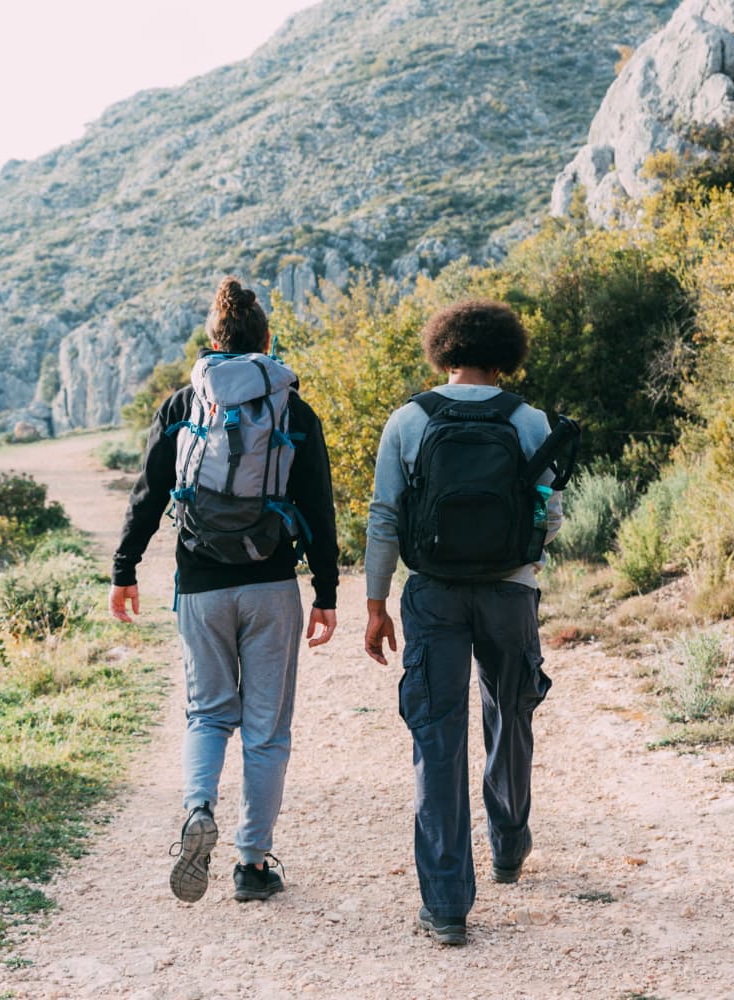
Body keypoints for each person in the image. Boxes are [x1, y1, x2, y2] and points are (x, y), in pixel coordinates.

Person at [110, 276, 340, 905]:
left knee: (208, 713)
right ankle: (251, 863)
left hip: (202, 584)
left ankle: (196, 810)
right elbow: (317, 505)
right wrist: (326, 590)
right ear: (266, 342)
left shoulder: (185, 403)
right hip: (270, 584)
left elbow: (150, 492)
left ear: (213, 342)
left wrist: (125, 568)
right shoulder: (291, 407)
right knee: (266, 730)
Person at [362, 299, 563, 945]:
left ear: (442, 350)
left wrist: (375, 603)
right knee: (510, 714)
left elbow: (385, 517)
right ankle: (509, 842)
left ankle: (447, 906)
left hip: (435, 597)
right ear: (506, 353)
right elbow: (550, 517)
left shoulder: (409, 419)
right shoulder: (530, 420)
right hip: (510, 594)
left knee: (437, 738)